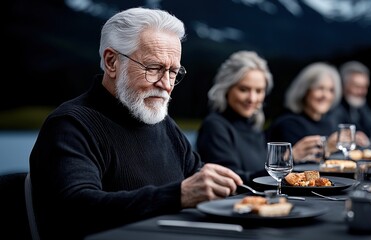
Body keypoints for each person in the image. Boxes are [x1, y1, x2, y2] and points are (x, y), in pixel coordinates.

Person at [29, 7, 242, 240]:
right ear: (111, 62)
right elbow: (78, 208)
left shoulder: (164, 123)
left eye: (173, 72)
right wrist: (178, 195)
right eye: (154, 68)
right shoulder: (70, 125)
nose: (166, 84)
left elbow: (201, 180)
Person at [196, 50, 273, 185]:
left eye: (259, 91)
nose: (252, 98)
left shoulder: (254, 126)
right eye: (243, 89)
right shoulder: (214, 127)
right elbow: (229, 181)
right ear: (226, 88)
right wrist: (283, 168)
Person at [266, 62, 343, 163]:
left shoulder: (330, 122)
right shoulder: (288, 125)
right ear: (305, 91)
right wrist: (327, 148)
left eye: (331, 90)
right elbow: (293, 167)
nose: (325, 95)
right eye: (320, 88)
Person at [334, 60, 371, 138]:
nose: (362, 92)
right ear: (343, 85)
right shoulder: (334, 108)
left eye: (365, 87)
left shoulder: (360, 104)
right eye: (357, 86)